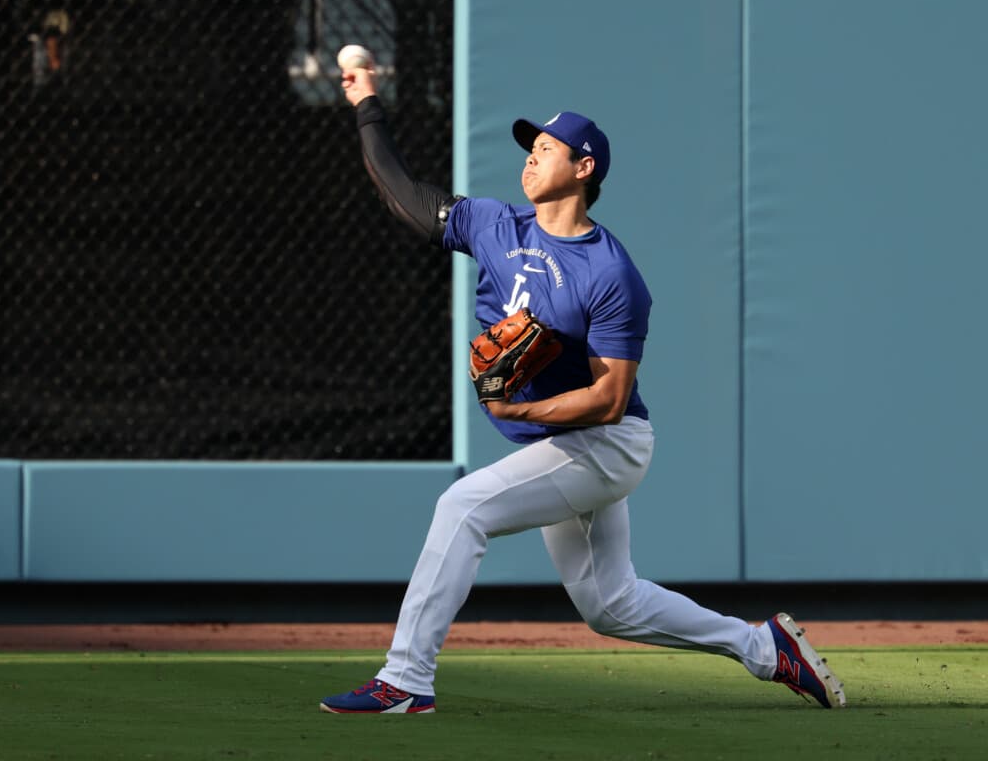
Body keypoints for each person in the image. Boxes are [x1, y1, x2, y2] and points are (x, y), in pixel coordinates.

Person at [319, 63, 846, 714]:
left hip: (607, 442)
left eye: (546, 149)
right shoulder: (493, 225)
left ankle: (405, 681)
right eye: (529, 148)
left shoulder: (610, 273)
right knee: (611, 604)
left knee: (463, 507)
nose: (530, 158)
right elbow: (402, 193)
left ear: (583, 168)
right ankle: (765, 647)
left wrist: (516, 406)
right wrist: (368, 102)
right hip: (558, 442)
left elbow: (610, 399)